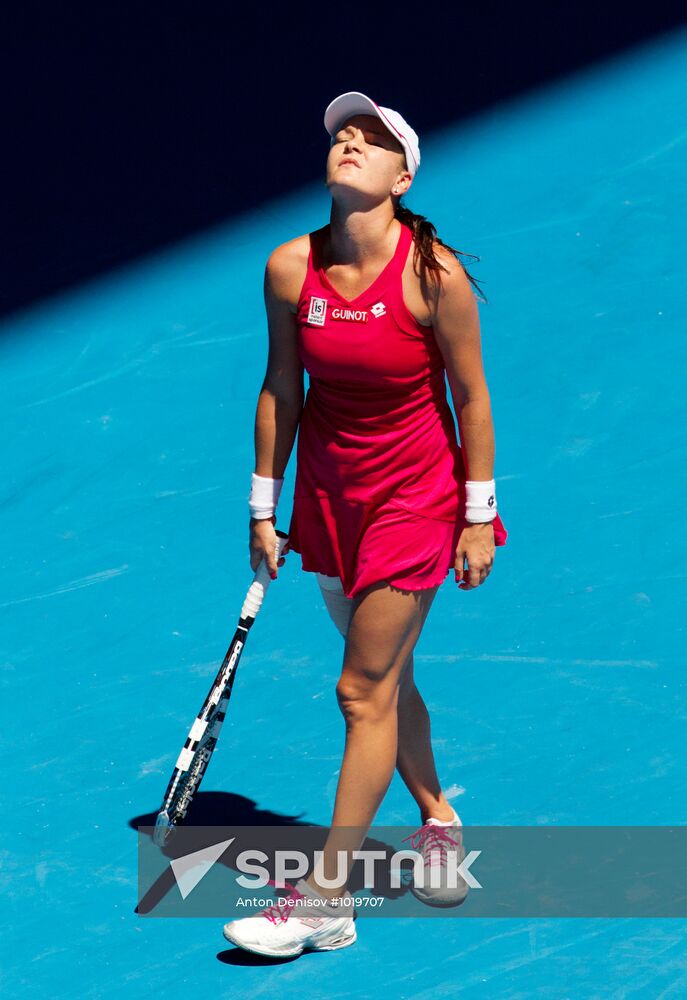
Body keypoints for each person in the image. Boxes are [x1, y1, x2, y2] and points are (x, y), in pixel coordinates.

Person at [223, 91, 508, 958]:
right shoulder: (288, 268)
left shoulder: (435, 275)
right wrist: (264, 506)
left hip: (416, 501)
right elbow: (283, 387)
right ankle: (437, 819)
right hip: (331, 498)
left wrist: (474, 515)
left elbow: (472, 398)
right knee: (388, 680)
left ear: (402, 175)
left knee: (359, 690)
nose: (351, 144)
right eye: (343, 136)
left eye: (372, 140)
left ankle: (326, 901)